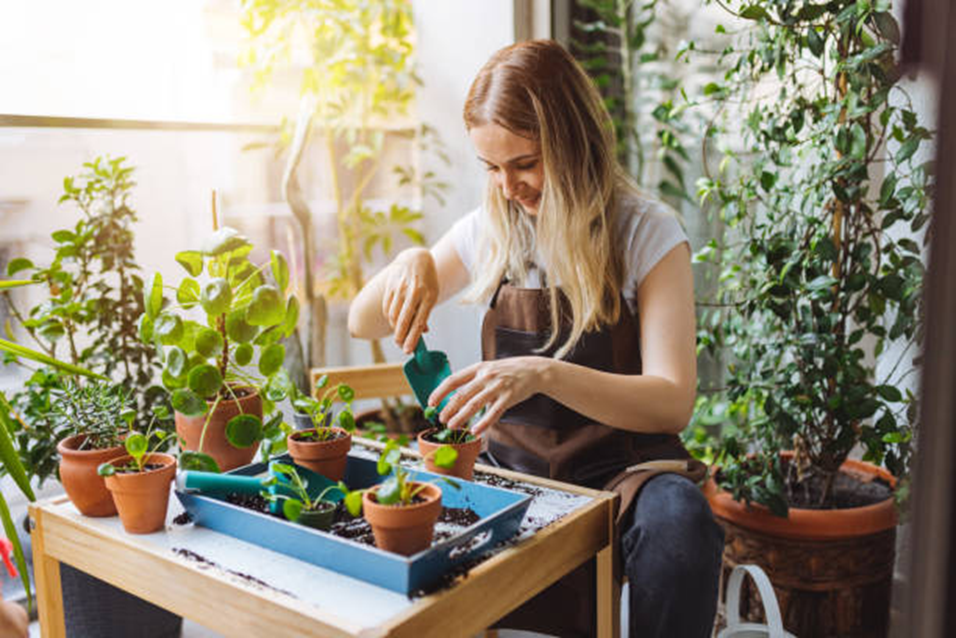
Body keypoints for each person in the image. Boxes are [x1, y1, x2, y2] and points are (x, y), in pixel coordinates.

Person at [348, 39, 724, 638]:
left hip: (623, 473)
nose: (508, 187)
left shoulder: (646, 232)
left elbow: (672, 399)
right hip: (510, 469)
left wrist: (544, 373)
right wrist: (411, 262)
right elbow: (361, 322)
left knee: (682, 527)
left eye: (525, 164)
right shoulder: (492, 231)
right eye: (492, 168)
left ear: (574, 142)